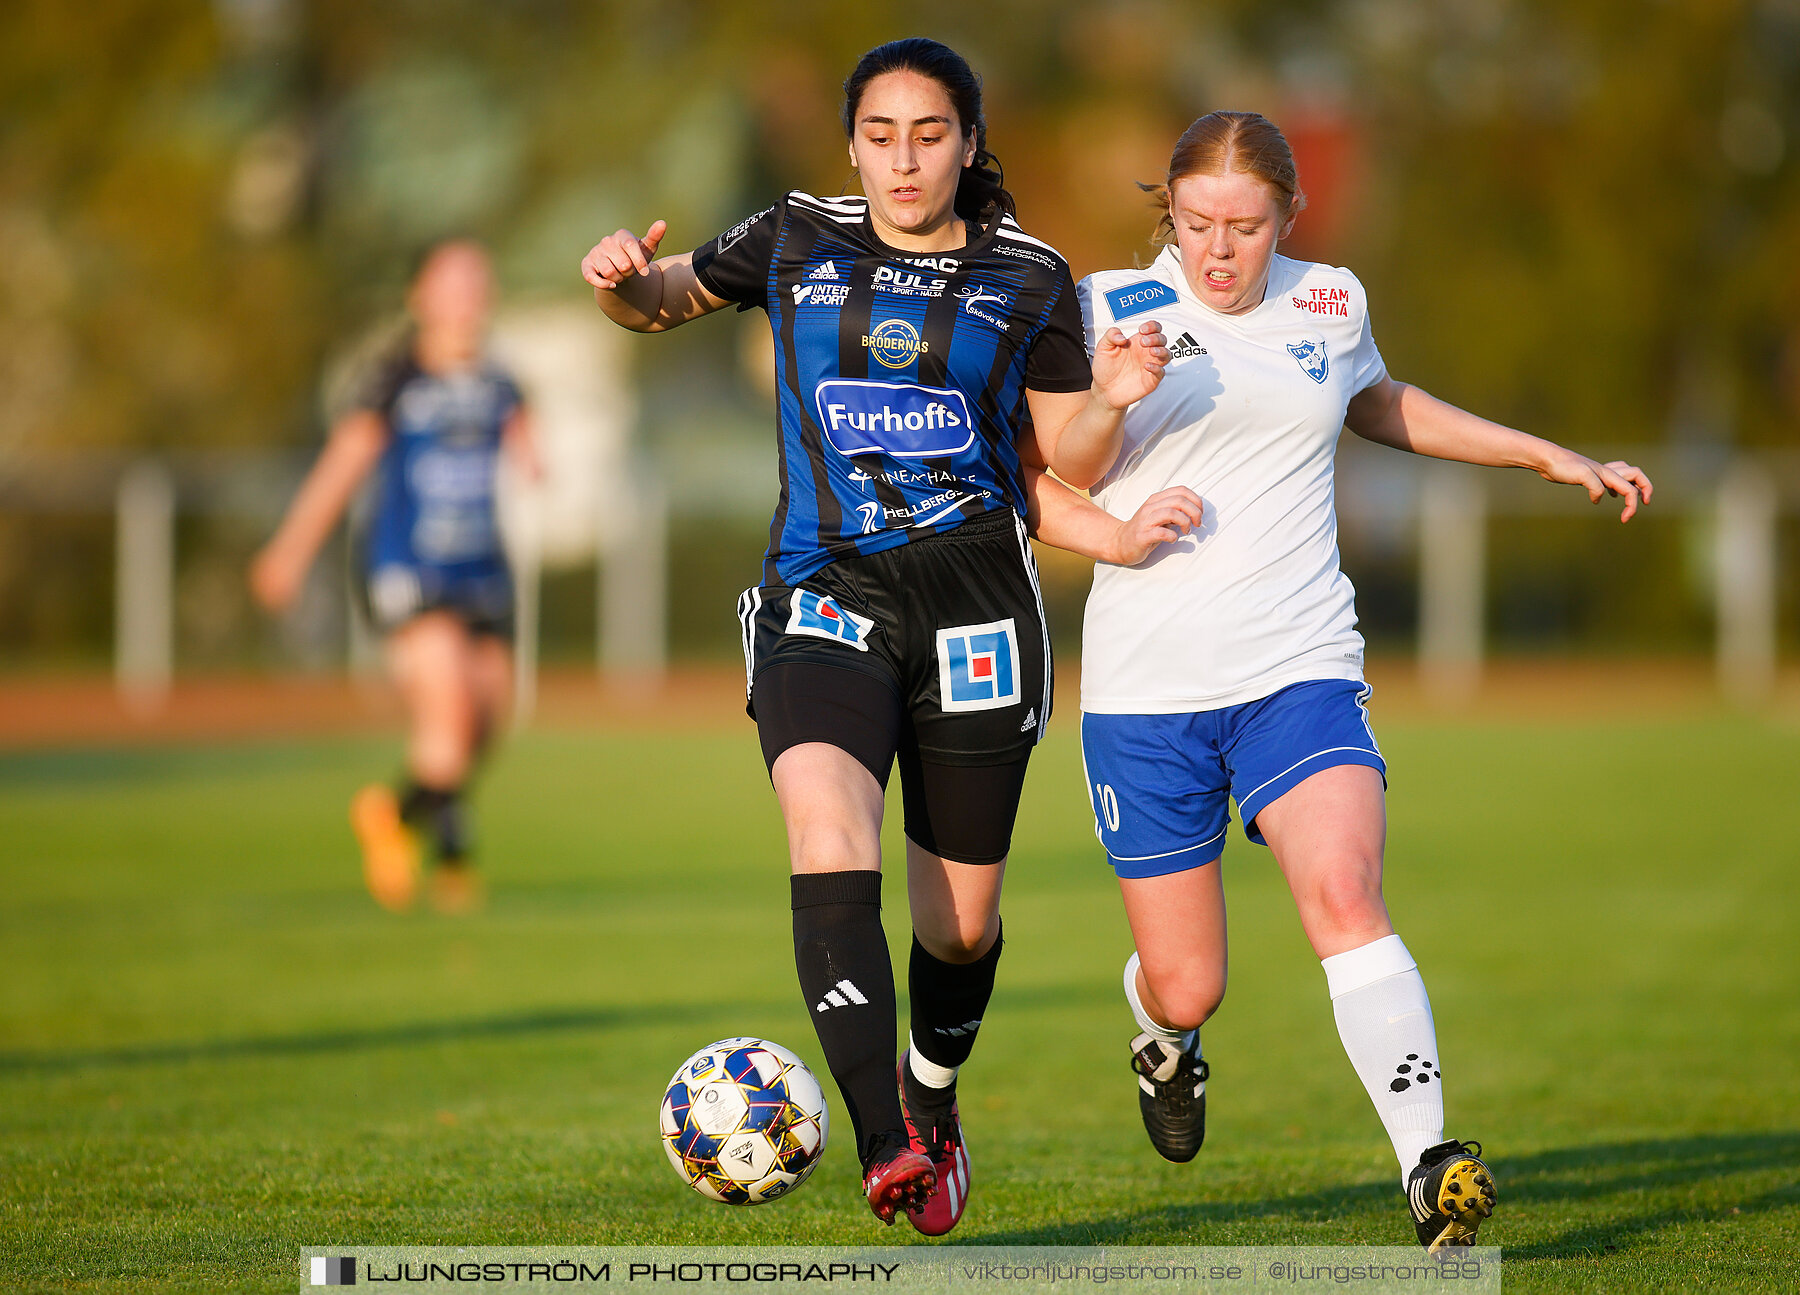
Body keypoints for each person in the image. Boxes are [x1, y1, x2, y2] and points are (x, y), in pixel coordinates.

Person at [581, 37, 1197, 1232]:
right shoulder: (796, 233)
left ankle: (931, 1088)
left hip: (977, 606)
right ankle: (883, 1140)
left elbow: (1059, 462)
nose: (903, 161)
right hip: (824, 590)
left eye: (929, 135)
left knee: (958, 922)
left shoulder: (1029, 275)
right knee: (826, 834)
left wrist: (1113, 404)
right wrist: (616, 281)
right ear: (851, 142)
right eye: (879, 135)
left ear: (969, 142)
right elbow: (661, 305)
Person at [1065, 111, 1653, 1251]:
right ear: (1166, 218)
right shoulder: (1105, 308)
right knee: (1190, 983)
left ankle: (1428, 1161)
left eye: (1244, 225)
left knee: (1343, 890)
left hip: (1299, 663)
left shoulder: (1332, 300)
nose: (1220, 251)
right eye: (1196, 225)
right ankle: (1161, 1035)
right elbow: (1065, 467)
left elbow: (1375, 401)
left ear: (1289, 215)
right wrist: (1111, 399)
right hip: (1147, 691)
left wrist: (1541, 451)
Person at [251, 239, 539, 915]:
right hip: (405, 566)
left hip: (480, 566)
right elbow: (341, 468)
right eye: (453, 282)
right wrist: (289, 551)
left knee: (488, 718)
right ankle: (452, 862)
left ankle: (393, 811)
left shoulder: (502, 383)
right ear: (419, 297)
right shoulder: (392, 381)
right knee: (449, 707)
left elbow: (527, 441)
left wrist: (536, 462)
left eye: (478, 280)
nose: (469, 295)